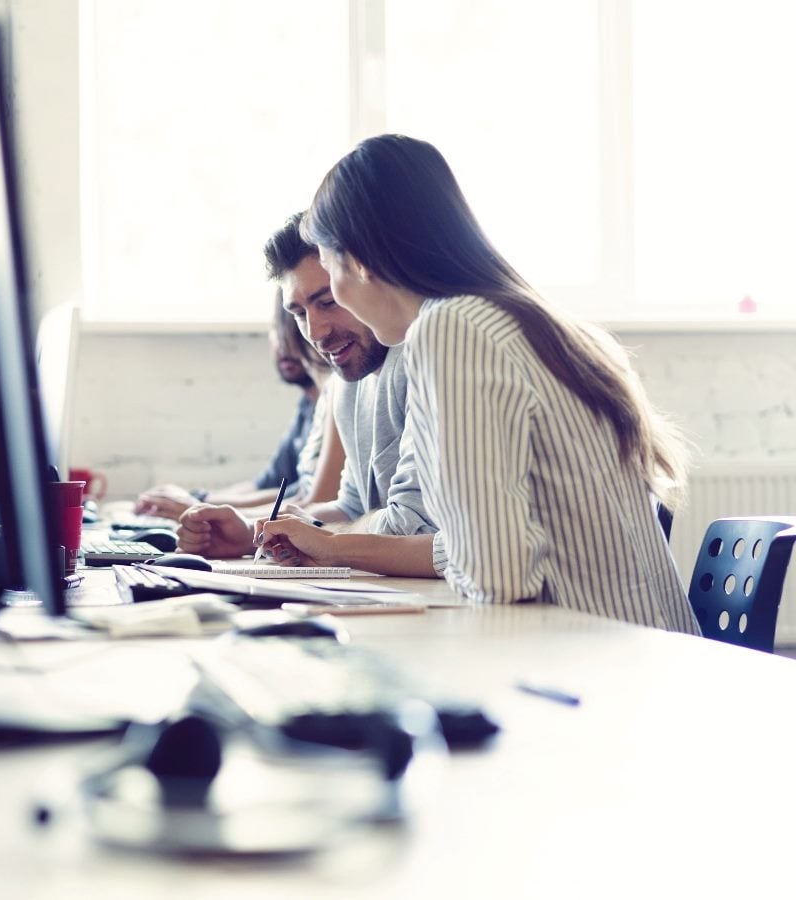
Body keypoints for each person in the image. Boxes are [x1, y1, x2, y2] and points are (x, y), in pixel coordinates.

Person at [261, 133, 696, 634]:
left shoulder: (452, 329)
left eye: (329, 270)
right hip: (627, 648)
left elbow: (498, 577)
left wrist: (341, 545)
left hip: (596, 662)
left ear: (356, 259)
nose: (316, 325)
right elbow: (493, 551)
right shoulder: (508, 317)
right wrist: (333, 546)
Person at [177, 213, 438, 573]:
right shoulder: (349, 382)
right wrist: (259, 532)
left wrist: (322, 537)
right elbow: (350, 507)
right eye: (299, 312)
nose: (314, 332)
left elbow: (411, 525)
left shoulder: (422, 357)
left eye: (327, 302)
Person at [134, 287, 345, 519]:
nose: (281, 345)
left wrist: (200, 508)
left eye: (281, 329)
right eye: (296, 316)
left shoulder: (338, 391)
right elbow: (289, 492)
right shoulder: (315, 404)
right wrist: (200, 503)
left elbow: (320, 501)